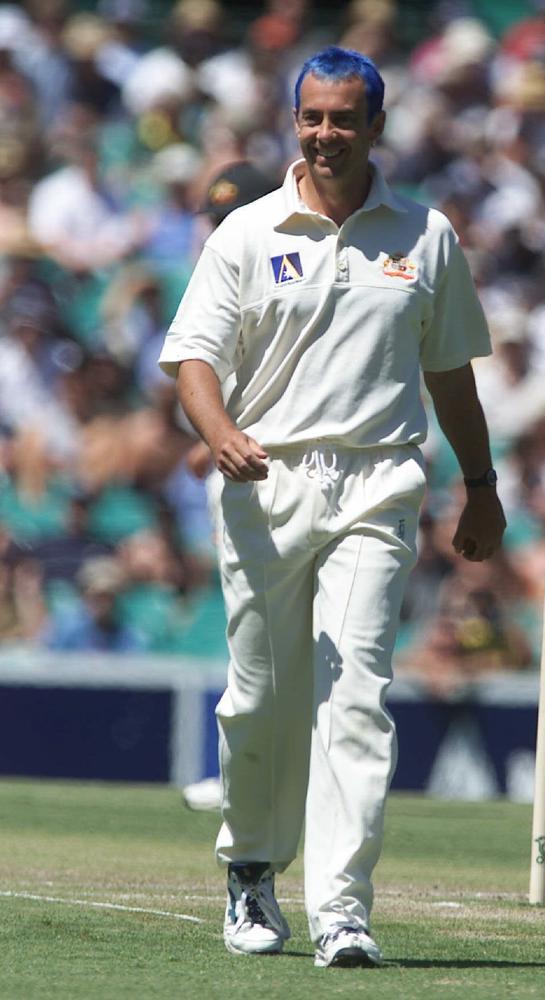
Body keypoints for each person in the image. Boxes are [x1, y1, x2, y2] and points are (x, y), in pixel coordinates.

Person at [158, 46, 505, 969]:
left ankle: (343, 908)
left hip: (380, 481)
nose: (326, 134)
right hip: (264, 481)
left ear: (376, 127)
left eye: (344, 118)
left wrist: (482, 483)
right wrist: (218, 432)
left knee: (355, 696)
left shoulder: (424, 234)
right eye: (312, 117)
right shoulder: (246, 230)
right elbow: (193, 357)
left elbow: (451, 375)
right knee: (264, 698)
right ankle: (252, 871)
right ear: (294, 122)